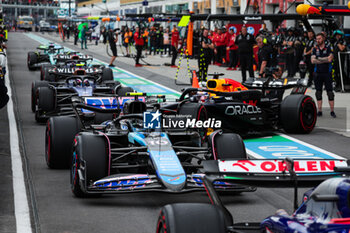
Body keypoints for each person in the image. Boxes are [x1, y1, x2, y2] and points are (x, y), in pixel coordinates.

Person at [311, 33, 336, 118]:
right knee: (318, 92)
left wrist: (318, 59)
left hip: (327, 73)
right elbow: (312, 61)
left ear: (323, 39)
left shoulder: (329, 47)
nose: (318, 40)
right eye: (316, 39)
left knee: (330, 93)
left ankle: (332, 111)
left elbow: (330, 59)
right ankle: (320, 111)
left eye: (319, 39)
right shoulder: (315, 48)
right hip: (317, 73)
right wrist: (323, 59)